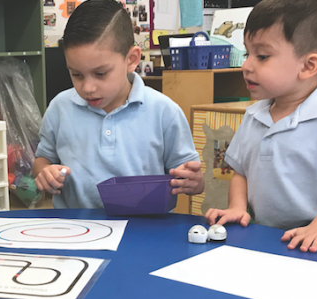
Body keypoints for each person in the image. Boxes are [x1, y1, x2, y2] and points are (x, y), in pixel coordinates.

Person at [33, 0, 204, 209]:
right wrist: (44, 173)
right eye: (76, 74)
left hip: (145, 228)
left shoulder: (164, 112)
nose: (88, 87)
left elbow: (189, 177)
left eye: (100, 73)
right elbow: (43, 160)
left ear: (131, 59)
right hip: (78, 229)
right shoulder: (60, 108)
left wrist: (195, 182)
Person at [205, 0, 317, 253]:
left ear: (309, 66)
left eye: (262, 56)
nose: (246, 66)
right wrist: (237, 207)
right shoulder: (254, 115)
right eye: (247, 54)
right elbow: (240, 172)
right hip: (265, 237)